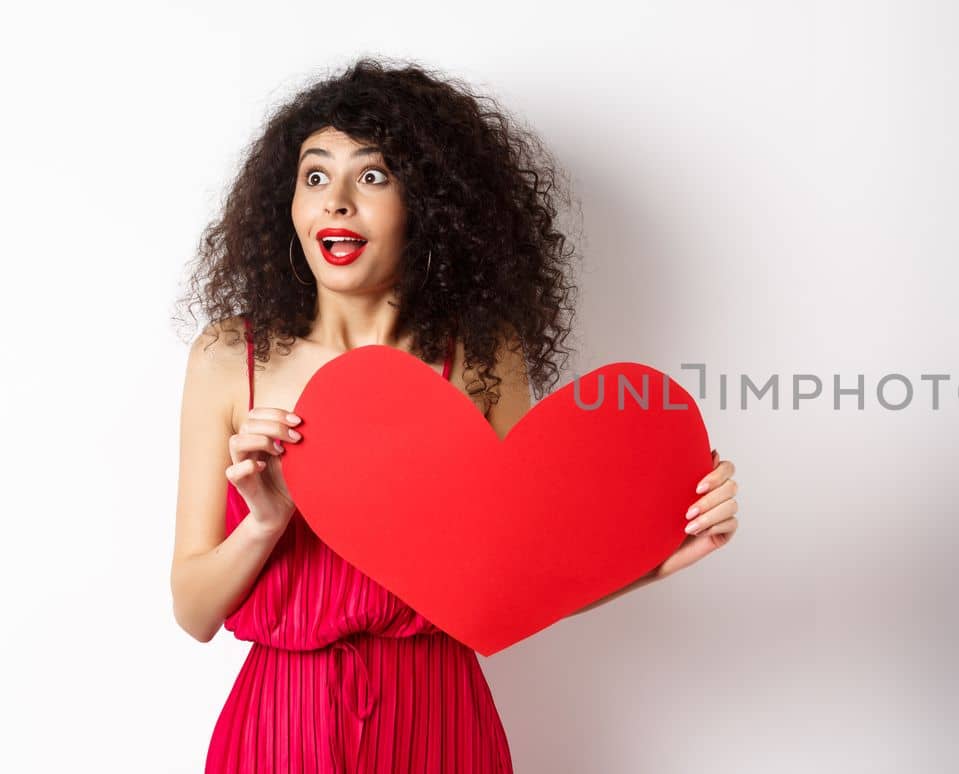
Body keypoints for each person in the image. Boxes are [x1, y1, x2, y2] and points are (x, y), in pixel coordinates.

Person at [170, 58, 740, 772]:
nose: (336, 202)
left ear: (430, 202)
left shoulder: (478, 357)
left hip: (439, 720)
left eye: (372, 176)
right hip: (282, 724)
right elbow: (192, 612)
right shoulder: (230, 358)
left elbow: (517, 582)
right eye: (315, 177)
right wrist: (265, 518)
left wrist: (659, 554)